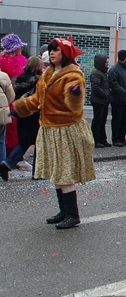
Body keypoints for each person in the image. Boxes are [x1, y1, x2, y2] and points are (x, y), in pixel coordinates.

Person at [12, 38, 96, 229]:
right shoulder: (48, 73)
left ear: (65, 54)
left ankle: (73, 215)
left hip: (65, 129)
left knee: (64, 172)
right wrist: (20, 107)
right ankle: (64, 211)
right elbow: (38, 99)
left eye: (57, 50)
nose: (52, 53)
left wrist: (75, 94)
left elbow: (75, 102)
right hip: (49, 128)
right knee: (57, 172)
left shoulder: (73, 74)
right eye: (51, 50)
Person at [0, 56, 42, 181]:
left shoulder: (18, 80)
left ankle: (7, 163)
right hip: (34, 115)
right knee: (39, 143)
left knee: (23, 142)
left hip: (21, 113)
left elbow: (13, 96)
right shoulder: (39, 81)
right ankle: (37, 172)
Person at [0, 33, 27, 156]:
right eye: (19, 47)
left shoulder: (4, 61)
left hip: (7, 101)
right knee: (9, 132)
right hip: (11, 102)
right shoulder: (18, 62)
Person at [108, 49, 126, 147]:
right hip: (118, 100)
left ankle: (123, 138)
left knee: (125, 120)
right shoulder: (114, 70)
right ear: (123, 58)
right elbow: (113, 83)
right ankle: (116, 139)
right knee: (117, 120)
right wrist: (123, 92)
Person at [90, 53, 112, 148]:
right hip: (98, 100)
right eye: (106, 62)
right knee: (98, 121)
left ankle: (102, 139)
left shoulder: (102, 72)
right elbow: (95, 86)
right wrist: (105, 94)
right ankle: (96, 139)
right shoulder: (96, 73)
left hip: (103, 100)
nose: (107, 63)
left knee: (102, 121)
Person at [0, 66, 15, 164]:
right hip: (1, 113)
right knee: (1, 140)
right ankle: (1, 167)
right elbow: (11, 95)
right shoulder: (4, 76)